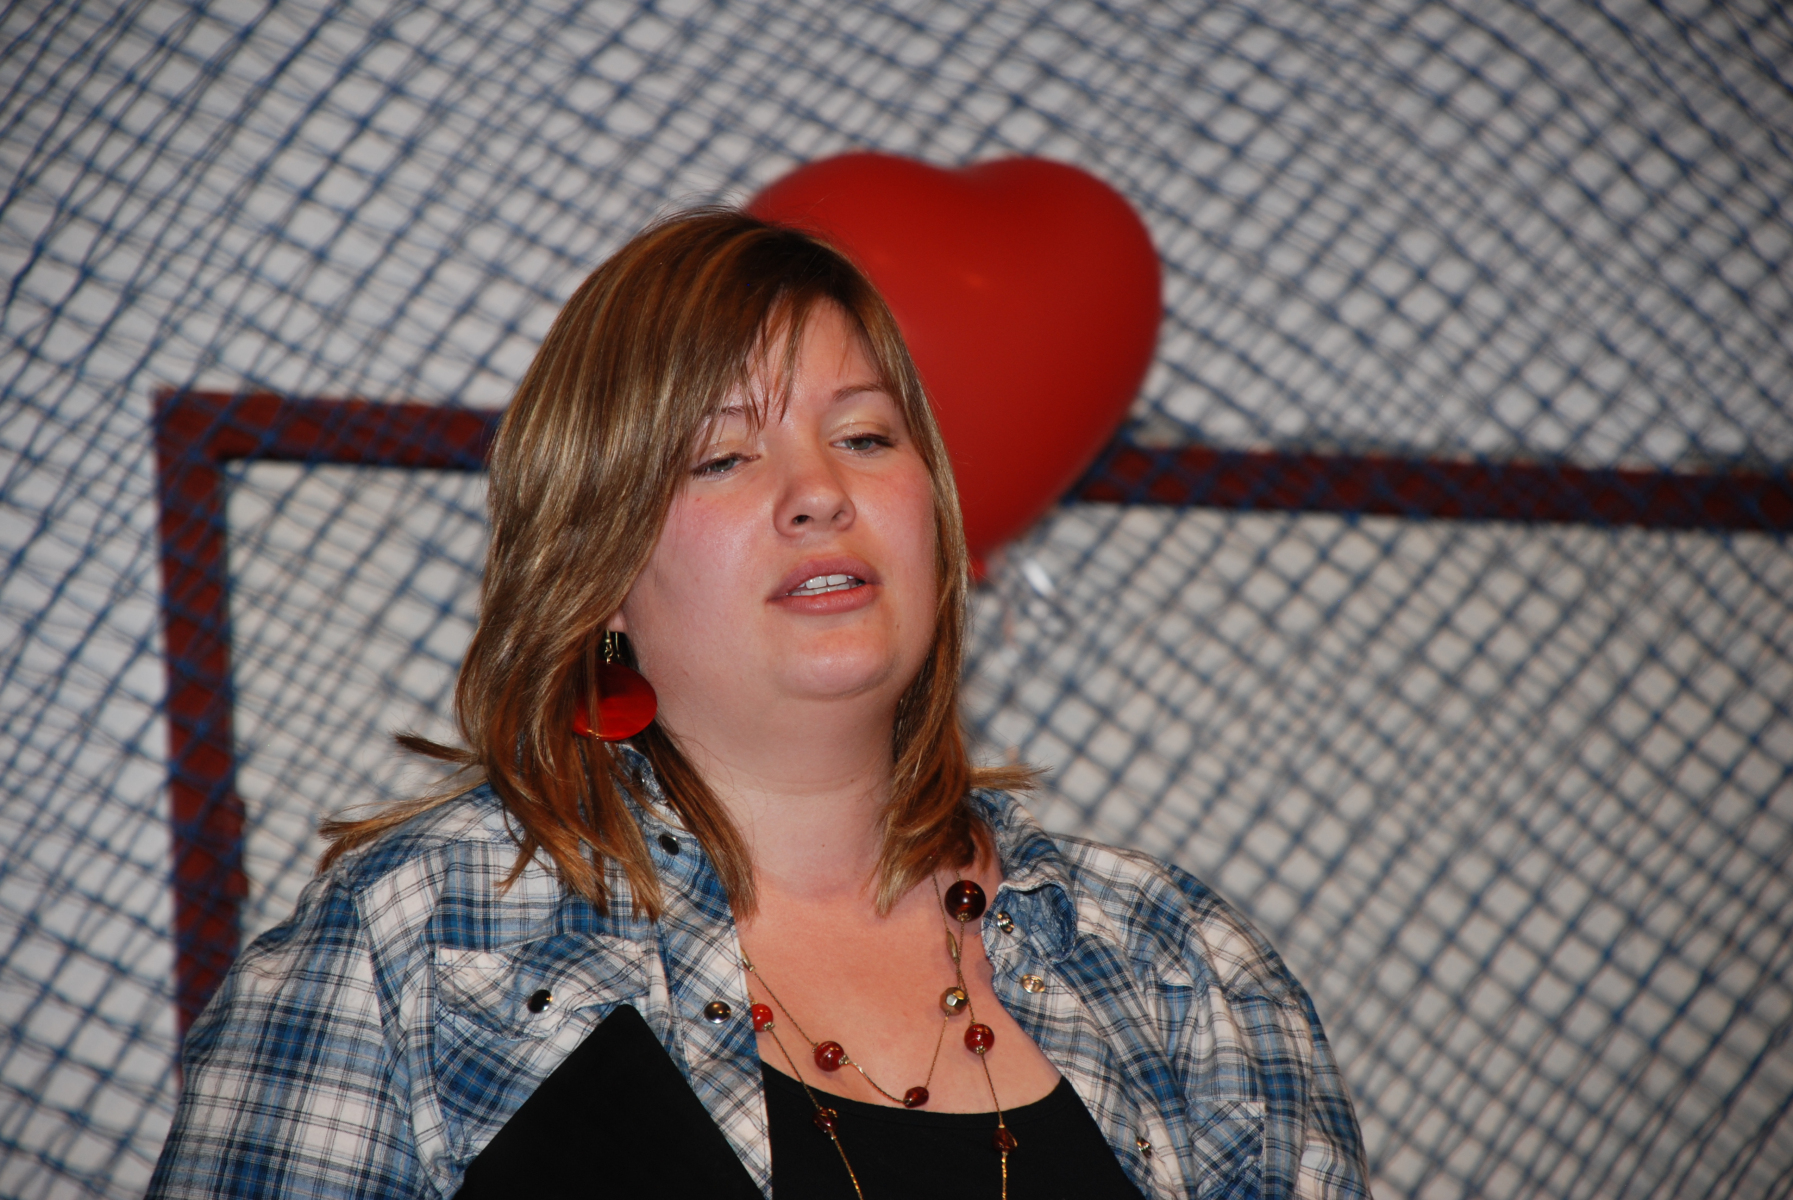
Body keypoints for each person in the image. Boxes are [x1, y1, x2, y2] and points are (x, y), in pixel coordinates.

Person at [148, 209, 1368, 1199]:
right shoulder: (418, 940)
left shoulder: (1174, 961)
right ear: (599, 570)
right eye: (723, 456)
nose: (819, 492)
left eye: (866, 437)